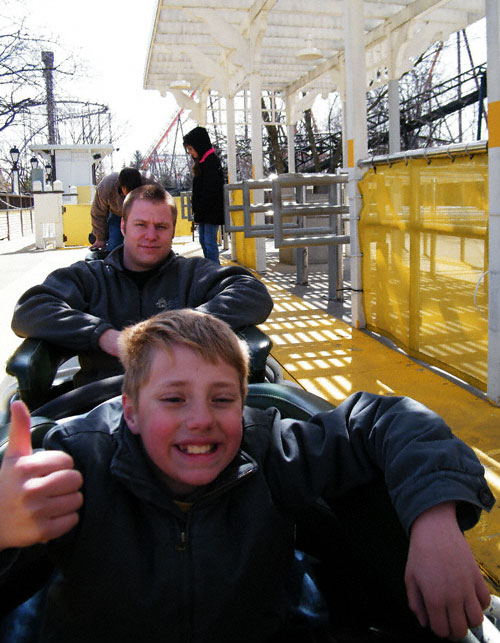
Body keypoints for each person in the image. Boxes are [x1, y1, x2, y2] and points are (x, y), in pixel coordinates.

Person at [0, 309, 494, 643]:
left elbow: (385, 420)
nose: (201, 419)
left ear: (243, 403)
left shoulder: (268, 450)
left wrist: (434, 519)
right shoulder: (75, 462)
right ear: (130, 412)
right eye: (173, 399)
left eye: (222, 399)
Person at [11, 184, 273, 387]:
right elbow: (31, 309)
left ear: (172, 231)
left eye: (161, 226)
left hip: (184, 408)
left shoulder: (192, 273)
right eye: (141, 225)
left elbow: (253, 294)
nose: (151, 235)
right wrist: (104, 336)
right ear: (123, 226)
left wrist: (185, 326)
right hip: (101, 405)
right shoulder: (90, 277)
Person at [183, 126, 225, 263]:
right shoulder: (202, 162)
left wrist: (200, 210)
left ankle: (215, 271)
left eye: (191, 149)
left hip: (211, 212)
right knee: (203, 241)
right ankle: (212, 269)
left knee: (209, 243)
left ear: (198, 146)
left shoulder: (211, 163)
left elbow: (210, 190)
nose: (190, 153)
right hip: (204, 212)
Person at [90, 167, 153, 251]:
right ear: (122, 187)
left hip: (145, 217)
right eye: (128, 193)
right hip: (118, 215)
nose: (131, 196)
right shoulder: (106, 187)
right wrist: (100, 238)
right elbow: (98, 213)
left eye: (135, 193)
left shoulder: (151, 185)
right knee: (114, 246)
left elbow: (163, 211)